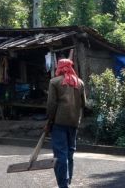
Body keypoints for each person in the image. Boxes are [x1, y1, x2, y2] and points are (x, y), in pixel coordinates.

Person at [45, 58, 87, 188]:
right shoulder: (80, 83)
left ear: (59, 67)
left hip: (59, 122)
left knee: (60, 154)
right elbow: (84, 104)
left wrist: (49, 121)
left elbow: (51, 104)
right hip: (74, 123)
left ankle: (63, 185)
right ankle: (68, 180)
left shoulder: (54, 82)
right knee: (69, 153)